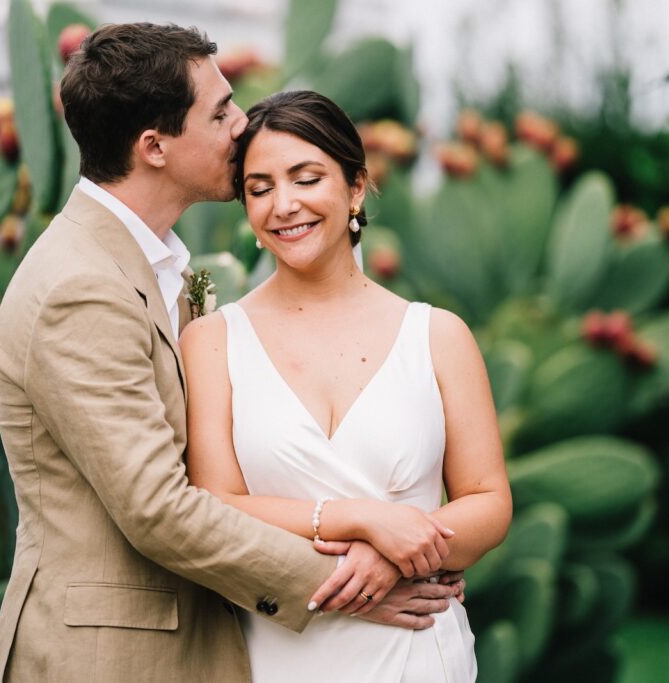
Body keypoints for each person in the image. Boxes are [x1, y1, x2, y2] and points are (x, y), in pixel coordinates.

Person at [0, 24, 460, 682]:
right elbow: (159, 507)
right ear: (154, 146)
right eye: (220, 111)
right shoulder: (81, 288)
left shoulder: (162, 269)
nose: (242, 126)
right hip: (113, 657)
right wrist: (346, 581)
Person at [180, 90, 513, 682]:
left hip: (419, 654)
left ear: (356, 188)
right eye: (259, 189)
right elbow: (216, 506)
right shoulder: (211, 341)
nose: (284, 205)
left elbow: (488, 501)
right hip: (278, 655)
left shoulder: (437, 335)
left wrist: (391, 560)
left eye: (306, 179)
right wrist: (359, 518)